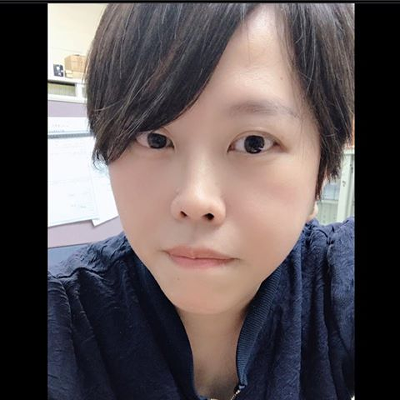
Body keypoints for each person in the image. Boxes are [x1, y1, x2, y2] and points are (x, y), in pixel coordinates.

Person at [48, 3, 354, 400]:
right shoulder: (63, 319)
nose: (195, 200)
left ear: (322, 173)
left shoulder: (336, 284)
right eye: (155, 139)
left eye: (254, 143)